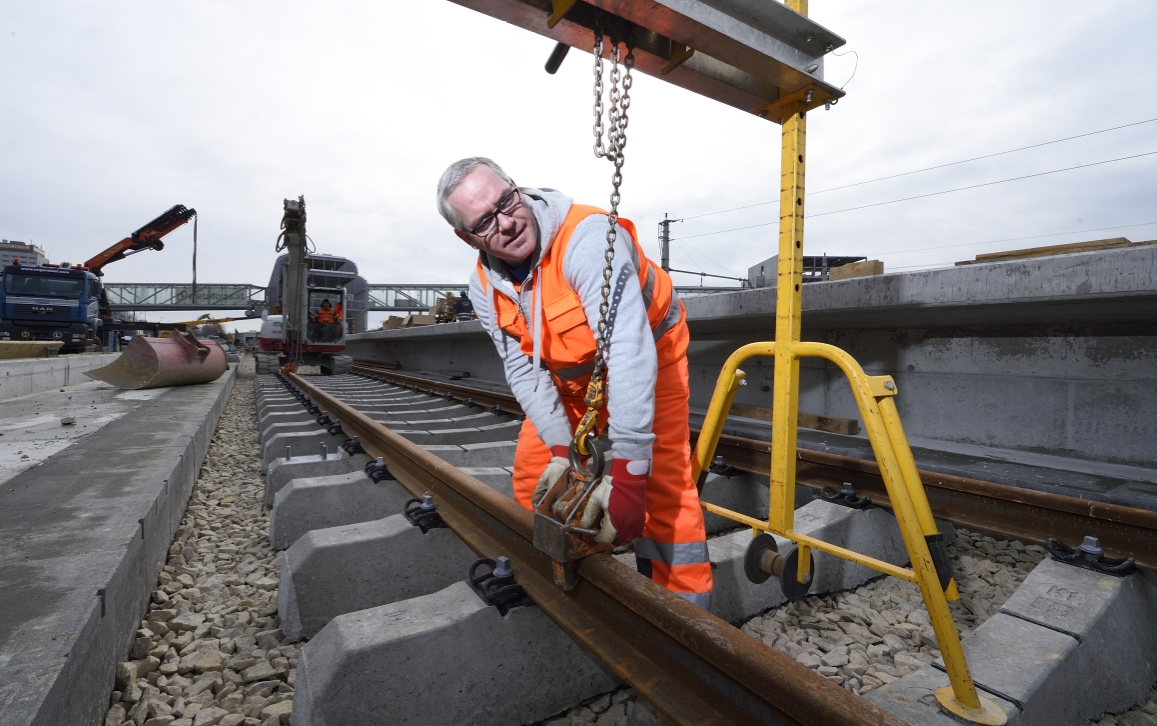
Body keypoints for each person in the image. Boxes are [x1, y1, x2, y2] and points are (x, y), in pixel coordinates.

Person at [436, 157, 712, 609]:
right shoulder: (484, 288)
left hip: (649, 358)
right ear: (466, 237)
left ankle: (689, 619)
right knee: (535, 477)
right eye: (485, 221)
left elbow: (628, 350)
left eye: (506, 201)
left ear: (516, 188)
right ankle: (568, 587)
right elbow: (523, 369)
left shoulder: (586, 240)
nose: (506, 222)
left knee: (662, 489)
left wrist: (628, 470)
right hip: (571, 379)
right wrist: (563, 450)